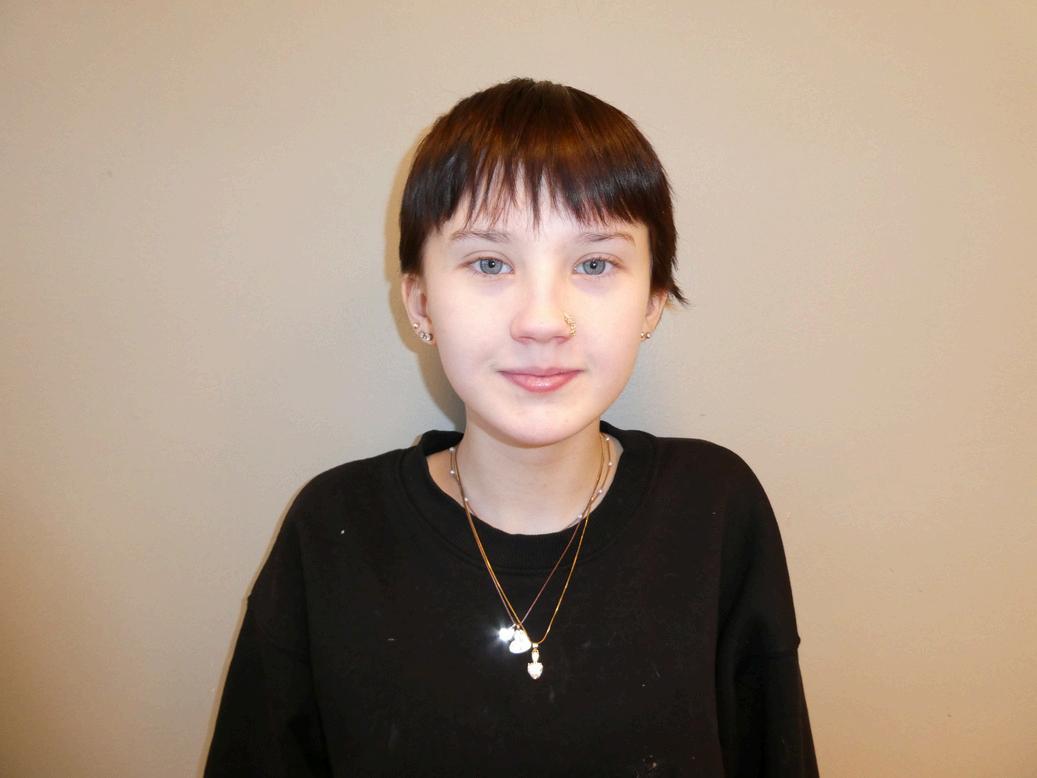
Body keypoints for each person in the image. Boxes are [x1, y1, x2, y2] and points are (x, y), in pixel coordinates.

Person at [204, 78, 819, 777]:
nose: (541, 321)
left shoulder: (715, 508)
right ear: (420, 302)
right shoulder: (332, 529)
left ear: (652, 299)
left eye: (594, 263)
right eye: (490, 263)